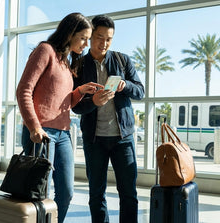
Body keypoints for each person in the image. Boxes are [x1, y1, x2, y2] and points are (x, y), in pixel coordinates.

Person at [16, 12, 103, 223]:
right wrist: (34, 127)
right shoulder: (45, 51)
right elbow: (23, 91)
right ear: (70, 32)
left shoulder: (66, 62)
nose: (85, 44)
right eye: (83, 37)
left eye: (87, 39)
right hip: (41, 134)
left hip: (63, 134)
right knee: (39, 195)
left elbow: (63, 101)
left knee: (66, 192)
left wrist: (80, 91)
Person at [72, 14, 145, 223]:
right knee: (96, 194)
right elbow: (75, 106)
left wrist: (125, 85)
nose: (103, 43)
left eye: (109, 39)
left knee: (129, 194)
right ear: (90, 36)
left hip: (123, 138)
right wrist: (93, 101)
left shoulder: (123, 60)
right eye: (99, 37)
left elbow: (140, 91)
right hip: (94, 140)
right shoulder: (79, 65)